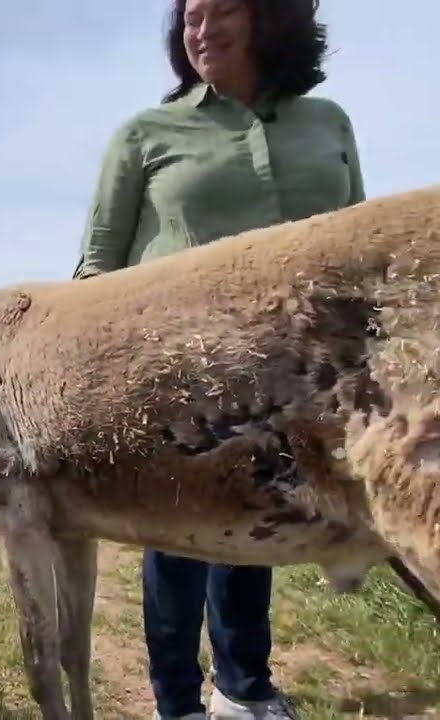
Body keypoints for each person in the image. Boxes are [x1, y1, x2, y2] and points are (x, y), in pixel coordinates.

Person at [74, 1, 364, 718]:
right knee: (175, 540)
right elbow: (97, 268)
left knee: (251, 529)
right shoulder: (146, 134)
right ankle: (177, 702)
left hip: (296, 373)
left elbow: (360, 242)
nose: (199, 30)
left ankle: (242, 688)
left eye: (220, 9)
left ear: (268, 16)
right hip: (174, 375)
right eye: (189, 17)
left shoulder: (326, 122)